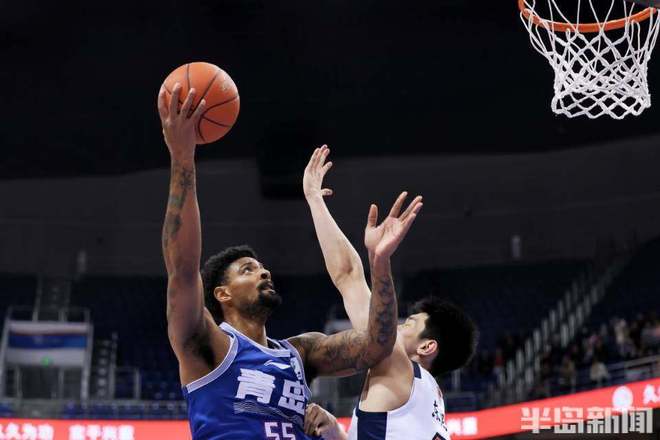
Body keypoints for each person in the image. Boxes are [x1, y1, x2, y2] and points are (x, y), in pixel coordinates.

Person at [158, 84, 422, 439]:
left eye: (261, 266)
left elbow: (378, 344)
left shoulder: (300, 352)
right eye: (248, 269)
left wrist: (380, 265)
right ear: (222, 293)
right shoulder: (208, 345)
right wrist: (182, 158)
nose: (264, 271)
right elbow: (182, 269)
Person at [302, 145, 478, 439]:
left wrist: (380, 262)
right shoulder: (432, 400)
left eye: (408, 324)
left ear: (427, 347)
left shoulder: (399, 367)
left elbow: (349, 277)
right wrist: (335, 431)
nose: (394, 327)